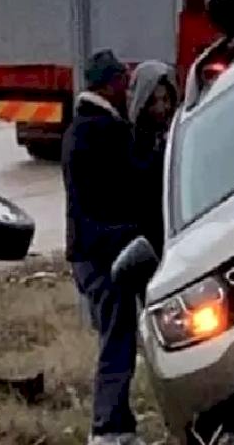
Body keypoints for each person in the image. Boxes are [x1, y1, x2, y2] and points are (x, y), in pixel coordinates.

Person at [62, 49, 145, 445]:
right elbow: (131, 184)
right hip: (104, 254)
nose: (127, 89)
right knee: (118, 340)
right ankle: (109, 428)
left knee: (115, 337)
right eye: (123, 82)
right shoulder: (104, 130)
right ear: (110, 84)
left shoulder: (79, 128)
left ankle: (119, 424)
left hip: (87, 252)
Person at [127, 60, 179, 259]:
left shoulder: (178, 134)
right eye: (153, 101)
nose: (161, 108)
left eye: (165, 99)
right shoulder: (130, 140)